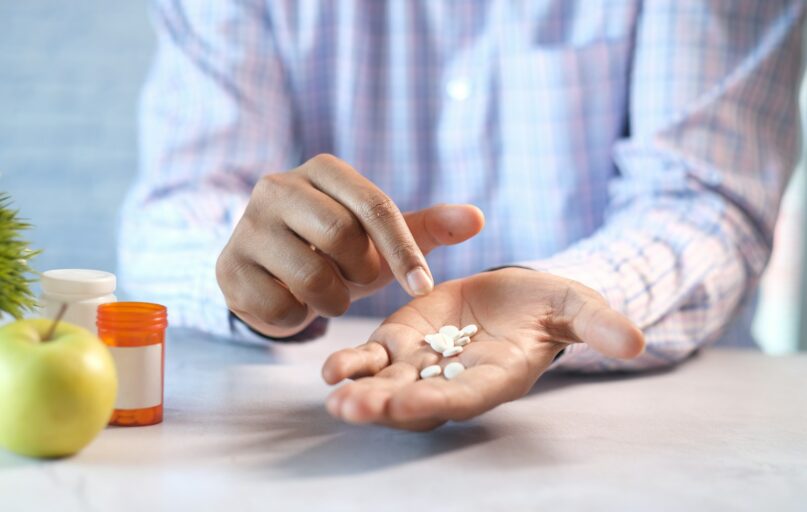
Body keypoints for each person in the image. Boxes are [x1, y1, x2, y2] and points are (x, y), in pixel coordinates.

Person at [120, 1, 805, 430]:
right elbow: (174, 208)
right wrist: (254, 272)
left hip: (658, 432)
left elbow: (702, 201)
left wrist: (567, 297)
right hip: (304, 418)